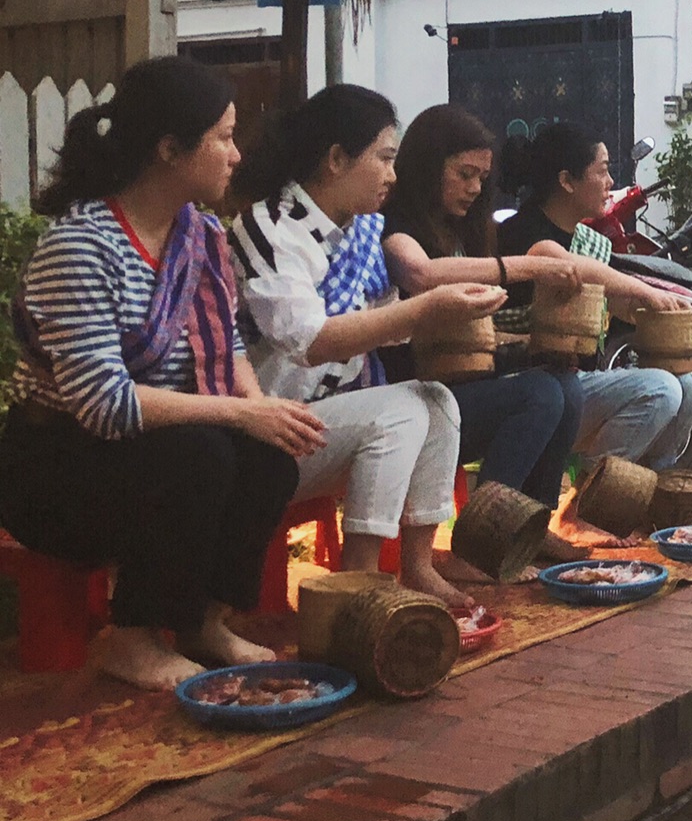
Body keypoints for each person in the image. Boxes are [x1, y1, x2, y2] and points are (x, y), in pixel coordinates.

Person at [0, 59, 309, 689]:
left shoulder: (198, 236)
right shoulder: (80, 246)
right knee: (202, 453)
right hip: (55, 467)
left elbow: (228, 353)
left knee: (268, 457)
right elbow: (103, 406)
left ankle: (202, 620)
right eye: (223, 137)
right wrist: (240, 414)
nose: (237, 154)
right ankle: (132, 638)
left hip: (154, 451)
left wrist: (261, 416)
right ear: (170, 149)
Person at [229, 86, 504, 610]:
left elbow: (383, 325)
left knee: (435, 400)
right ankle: (357, 585)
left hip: (318, 421)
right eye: (384, 158)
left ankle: (417, 568)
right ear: (336, 159)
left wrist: (441, 314)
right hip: (265, 428)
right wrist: (424, 309)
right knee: (399, 410)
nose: (392, 176)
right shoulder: (269, 227)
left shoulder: (358, 233)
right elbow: (308, 341)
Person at [378, 105, 585, 506]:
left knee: (565, 382)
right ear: (426, 166)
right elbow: (419, 273)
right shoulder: (395, 225)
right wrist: (525, 267)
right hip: (414, 387)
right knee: (540, 394)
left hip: (464, 377)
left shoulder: (466, 231)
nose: (474, 188)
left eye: (482, 178)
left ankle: (532, 521)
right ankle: (484, 531)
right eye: (464, 174)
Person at [495, 121, 692, 467]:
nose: (611, 184)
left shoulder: (588, 239)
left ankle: (646, 487)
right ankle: (590, 495)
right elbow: (571, 269)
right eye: (602, 171)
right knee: (659, 389)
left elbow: (615, 304)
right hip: (530, 384)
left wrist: (667, 316)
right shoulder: (524, 233)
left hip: (578, 381)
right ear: (566, 181)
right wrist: (647, 292)